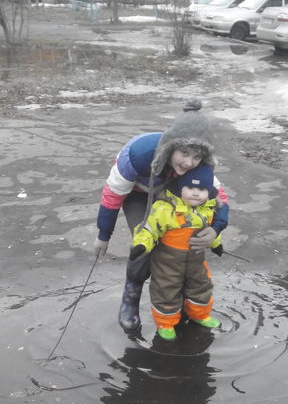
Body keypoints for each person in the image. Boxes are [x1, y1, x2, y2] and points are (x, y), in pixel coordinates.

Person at [94, 100, 229, 332]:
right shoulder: (138, 155)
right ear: (171, 147)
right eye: (184, 153)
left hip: (172, 191)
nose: (189, 162)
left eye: (196, 157)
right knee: (146, 241)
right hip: (136, 193)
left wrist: (215, 229)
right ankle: (130, 297)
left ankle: (184, 299)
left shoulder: (197, 164)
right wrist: (103, 235)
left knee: (184, 237)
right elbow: (112, 196)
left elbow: (220, 199)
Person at [128, 164, 223, 340]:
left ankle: (200, 315)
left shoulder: (208, 209)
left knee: (201, 286)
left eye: (202, 189)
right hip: (167, 262)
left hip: (196, 261)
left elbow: (210, 232)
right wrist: (141, 245)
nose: (196, 193)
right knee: (166, 289)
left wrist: (216, 243)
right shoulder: (165, 208)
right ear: (180, 187)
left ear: (209, 191)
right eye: (190, 188)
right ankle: (165, 323)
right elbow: (149, 228)